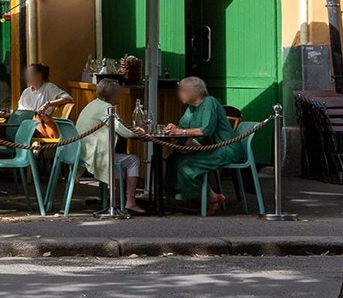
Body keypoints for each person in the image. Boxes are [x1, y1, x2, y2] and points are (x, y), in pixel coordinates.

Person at [159, 75, 240, 213]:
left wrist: (181, 132)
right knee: (173, 159)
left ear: (192, 91)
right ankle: (189, 197)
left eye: (182, 90)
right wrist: (174, 128)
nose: (179, 93)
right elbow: (183, 126)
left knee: (186, 165)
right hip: (207, 149)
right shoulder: (192, 107)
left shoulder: (210, 102)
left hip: (224, 149)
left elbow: (206, 130)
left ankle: (211, 198)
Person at [77, 78, 148, 216]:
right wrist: (136, 131)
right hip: (92, 154)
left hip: (79, 151)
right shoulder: (106, 108)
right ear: (113, 95)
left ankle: (115, 199)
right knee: (133, 160)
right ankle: (130, 202)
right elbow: (121, 130)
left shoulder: (92, 104)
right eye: (119, 93)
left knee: (117, 159)